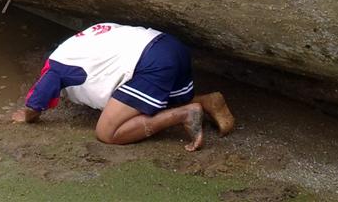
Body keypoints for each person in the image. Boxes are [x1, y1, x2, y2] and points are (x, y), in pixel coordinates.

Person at [12, 22, 235, 151]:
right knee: (150, 100)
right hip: (171, 46)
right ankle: (206, 101)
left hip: (151, 63)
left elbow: (37, 100)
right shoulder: (87, 35)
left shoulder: (57, 66)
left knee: (107, 132)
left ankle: (185, 114)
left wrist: (28, 115)